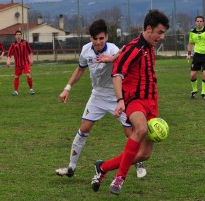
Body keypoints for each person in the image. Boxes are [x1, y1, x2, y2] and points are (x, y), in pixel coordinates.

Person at [55, 19, 147, 179]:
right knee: (83, 129)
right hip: (97, 96)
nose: (98, 42)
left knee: (130, 132)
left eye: (101, 38)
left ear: (107, 37)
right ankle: (71, 168)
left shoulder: (113, 49)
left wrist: (116, 57)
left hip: (116, 97)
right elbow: (79, 70)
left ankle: (138, 161)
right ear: (90, 38)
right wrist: (67, 88)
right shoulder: (85, 50)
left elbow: (126, 61)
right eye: (95, 38)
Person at [91, 9, 169, 195]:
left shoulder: (145, 45)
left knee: (144, 154)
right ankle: (119, 178)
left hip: (152, 101)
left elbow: (123, 51)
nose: (162, 37)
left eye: (163, 33)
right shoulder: (136, 47)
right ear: (149, 29)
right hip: (135, 100)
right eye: (159, 32)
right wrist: (120, 101)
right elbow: (117, 74)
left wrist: (113, 57)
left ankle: (102, 167)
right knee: (140, 129)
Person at [186, 16, 205, 100]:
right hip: (197, 55)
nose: (199, 23)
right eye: (197, 21)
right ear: (195, 22)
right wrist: (189, 53)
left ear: (203, 22)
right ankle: (194, 90)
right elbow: (190, 43)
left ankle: (203, 93)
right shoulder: (192, 32)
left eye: (201, 21)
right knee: (192, 75)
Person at [7, 30, 34, 96]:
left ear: (21, 35)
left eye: (19, 34)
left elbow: (30, 52)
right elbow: (9, 54)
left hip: (25, 63)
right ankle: (16, 91)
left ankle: (31, 89)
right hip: (18, 64)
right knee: (16, 77)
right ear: (15, 36)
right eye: (17, 34)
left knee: (28, 75)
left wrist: (31, 60)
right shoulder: (13, 45)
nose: (18, 35)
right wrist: (8, 61)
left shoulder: (25, 43)